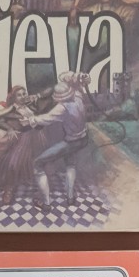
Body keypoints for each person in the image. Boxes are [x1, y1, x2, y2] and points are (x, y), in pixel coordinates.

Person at [27, 71, 91, 211]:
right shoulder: (78, 95)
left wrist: (31, 119)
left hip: (71, 142)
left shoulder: (62, 108)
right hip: (83, 138)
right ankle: (70, 198)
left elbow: (46, 119)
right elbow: (65, 77)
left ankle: (46, 203)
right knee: (70, 163)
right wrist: (78, 77)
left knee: (37, 163)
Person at [0, 86, 48, 205]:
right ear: (14, 98)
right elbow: (0, 121)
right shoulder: (12, 109)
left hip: (36, 136)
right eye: (19, 95)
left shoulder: (31, 106)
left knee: (37, 164)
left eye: (24, 93)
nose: (22, 96)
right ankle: (8, 190)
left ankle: (40, 192)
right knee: (13, 164)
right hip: (23, 138)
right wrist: (10, 129)